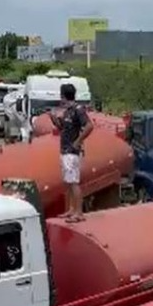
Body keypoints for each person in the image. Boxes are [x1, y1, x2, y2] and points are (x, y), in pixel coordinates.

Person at [49, 83, 94, 222]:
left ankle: (79, 212)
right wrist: (53, 118)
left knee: (74, 181)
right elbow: (62, 127)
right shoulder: (68, 111)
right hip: (64, 150)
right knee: (68, 181)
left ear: (63, 96)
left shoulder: (78, 110)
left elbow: (89, 126)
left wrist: (78, 141)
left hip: (72, 151)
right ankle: (71, 209)